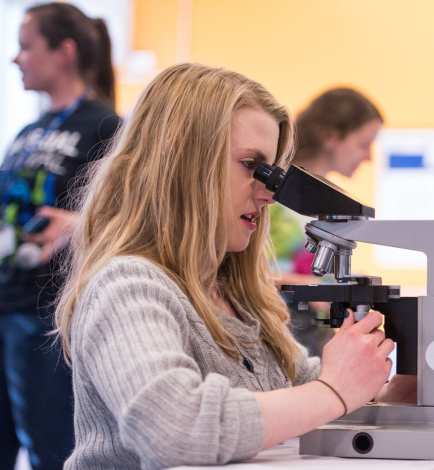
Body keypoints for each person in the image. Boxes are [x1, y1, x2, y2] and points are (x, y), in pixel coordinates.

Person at [54, 63, 411, 468]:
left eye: (271, 174)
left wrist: (386, 394)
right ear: (180, 160)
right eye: (250, 166)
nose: (268, 195)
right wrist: (334, 390)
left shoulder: (240, 301)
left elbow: (307, 394)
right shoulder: (126, 286)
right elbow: (174, 429)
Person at [0, 3, 120, 469]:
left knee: (51, 451)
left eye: (26, 47)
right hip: (5, 307)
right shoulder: (27, 131)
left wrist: (82, 221)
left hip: (47, 319)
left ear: (64, 52)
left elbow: (133, 211)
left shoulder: (105, 126)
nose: (16, 58)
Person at [269, 87, 383, 356]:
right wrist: (315, 288)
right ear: (332, 137)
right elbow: (243, 273)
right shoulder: (272, 196)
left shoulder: (328, 200)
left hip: (311, 339)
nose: (369, 157)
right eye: (363, 144)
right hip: (279, 337)